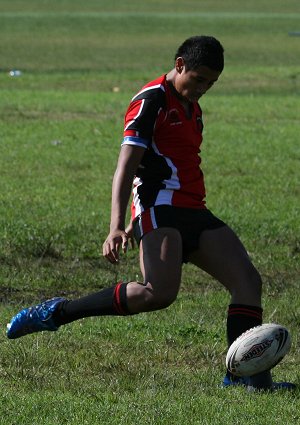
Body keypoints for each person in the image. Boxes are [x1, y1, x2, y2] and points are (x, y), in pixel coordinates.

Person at [6, 36, 294, 391]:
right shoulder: (151, 101)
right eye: (199, 78)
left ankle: (248, 379)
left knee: (248, 282)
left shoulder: (192, 108)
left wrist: (131, 223)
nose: (203, 88)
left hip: (194, 209)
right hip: (160, 210)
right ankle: (58, 312)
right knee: (158, 293)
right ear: (179, 65)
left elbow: (171, 163)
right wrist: (116, 226)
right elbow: (126, 168)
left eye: (211, 83)